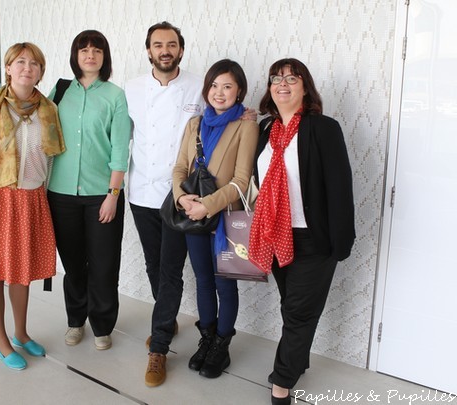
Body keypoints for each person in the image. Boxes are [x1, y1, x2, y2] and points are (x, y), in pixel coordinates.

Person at [248, 58, 355, 405]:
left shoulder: (323, 128)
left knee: (298, 312)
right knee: (291, 306)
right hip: (275, 234)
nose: (283, 84)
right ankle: (300, 360)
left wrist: (342, 241)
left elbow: (340, 188)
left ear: (304, 87)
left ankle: (282, 384)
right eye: (276, 79)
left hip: (314, 239)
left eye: (291, 78)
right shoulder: (266, 130)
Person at [0, 42, 65, 370]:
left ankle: (20, 333)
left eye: (34, 63)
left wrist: (43, 201)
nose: (27, 68)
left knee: (22, 273)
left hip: (30, 198)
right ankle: (2, 343)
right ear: (8, 68)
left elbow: (48, 163)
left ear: (41, 71)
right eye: (20, 62)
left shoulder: (48, 110)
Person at [125, 21, 204, 387]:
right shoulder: (132, 89)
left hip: (178, 195)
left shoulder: (198, 87)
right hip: (141, 190)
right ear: (149, 51)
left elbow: (218, 121)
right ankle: (167, 317)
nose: (165, 50)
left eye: (171, 44)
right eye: (158, 45)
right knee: (154, 264)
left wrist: (246, 116)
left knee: (171, 269)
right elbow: (117, 135)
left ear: (181, 50)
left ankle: (158, 347)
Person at [172, 59, 258, 380]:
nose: (219, 93)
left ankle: (222, 346)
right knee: (203, 280)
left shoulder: (246, 125)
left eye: (227, 86)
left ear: (239, 92)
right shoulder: (194, 123)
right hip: (192, 215)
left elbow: (240, 181)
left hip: (225, 218)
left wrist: (207, 205)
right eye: (214, 86)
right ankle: (206, 338)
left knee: (225, 283)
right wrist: (182, 197)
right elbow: (179, 168)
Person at [46, 30, 131, 351]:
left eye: (97, 50)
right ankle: (74, 320)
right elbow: (36, 128)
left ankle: (103, 324)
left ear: (104, 57)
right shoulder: (61, 90)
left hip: (102, 195)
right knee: (73, 264)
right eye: (84, 50)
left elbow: (120, 150)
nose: (90, 55)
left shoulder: (115, 95)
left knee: (104, 265)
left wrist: (113, 193)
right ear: (75, 55)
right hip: (61, 194)